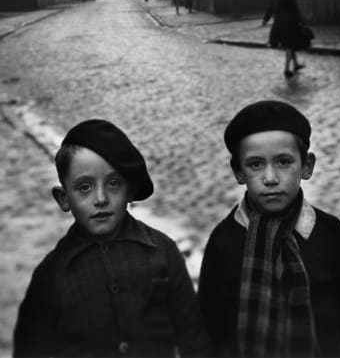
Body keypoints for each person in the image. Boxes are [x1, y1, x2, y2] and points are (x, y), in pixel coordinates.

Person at [13, 119, 209, 358]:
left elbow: (193, 335)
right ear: (63, 198)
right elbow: (30, 349)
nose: (101, 198)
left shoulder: (162, 251)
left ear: (130, 191)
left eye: (114, 183)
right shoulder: (52, 273)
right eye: (84, 187)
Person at [198, 100, 340, 358]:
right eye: (255, 164)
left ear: (307, 166)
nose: (270, 178)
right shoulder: (225, 241)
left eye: (283, 162)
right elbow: (209, 325)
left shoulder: (330, 234)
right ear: (238, 172)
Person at [262, 0, 307, 78]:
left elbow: (270, 7)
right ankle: (287, 69)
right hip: (289, 24)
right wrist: (301, 20)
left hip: (278, 25)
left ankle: (295, 65)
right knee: (290, 46)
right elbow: (293, 6)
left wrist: (265, 19)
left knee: (290, 44)